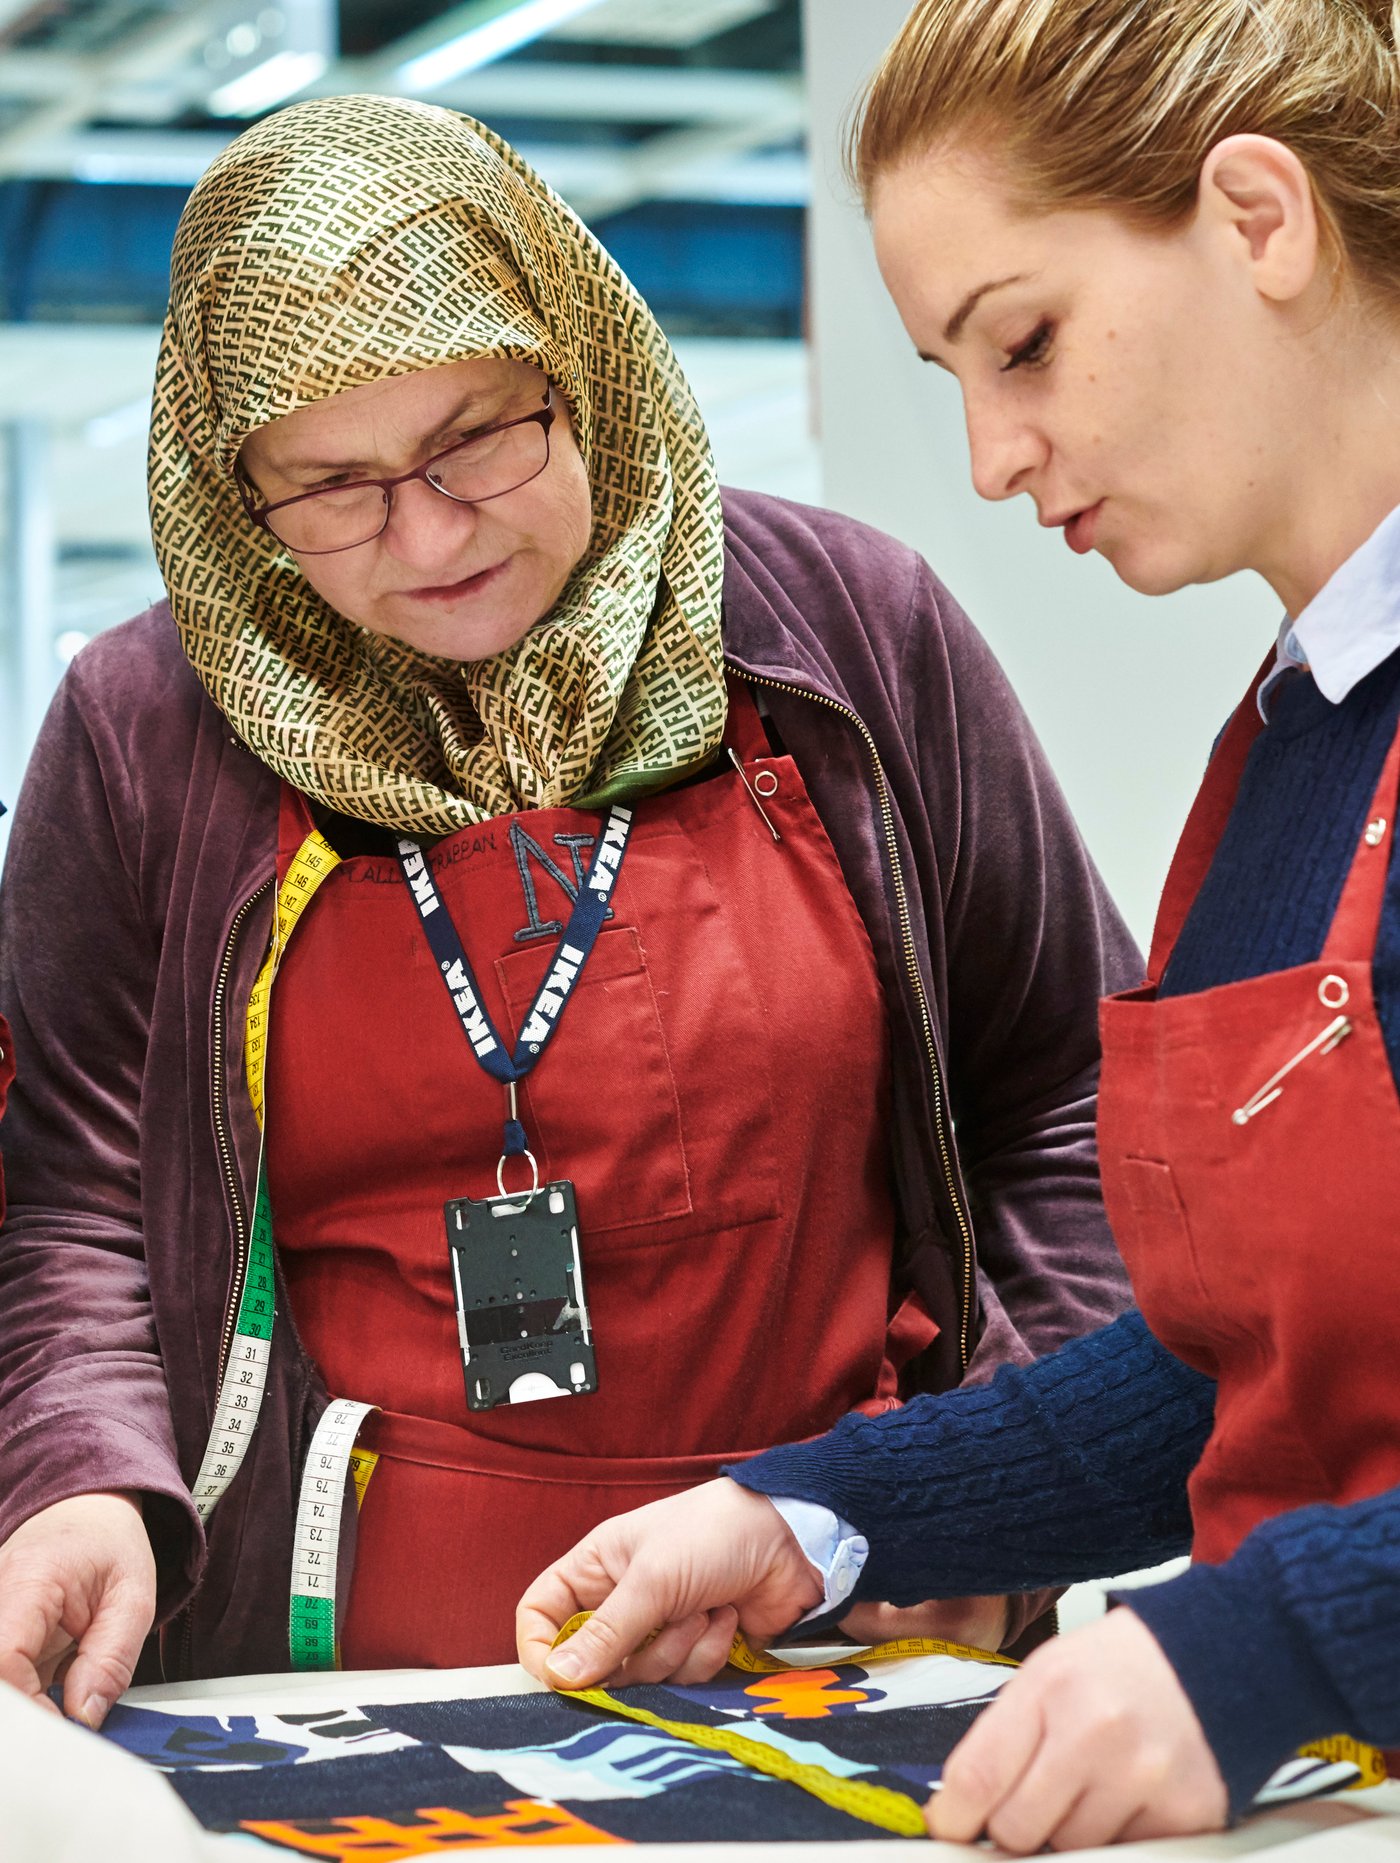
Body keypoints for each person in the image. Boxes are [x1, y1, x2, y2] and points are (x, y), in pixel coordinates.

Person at [0, 93, 1135, 1730]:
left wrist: (996, 1494)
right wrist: (75, 1483)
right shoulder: (142, 731)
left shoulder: (850, 636)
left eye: (479, 439)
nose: (433, 531)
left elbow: (1069, 1096)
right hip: (322, 1701)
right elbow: (79, 1211)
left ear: (578, 363)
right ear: (227, 494)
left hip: (853, 1645)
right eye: (331, 487)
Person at [516, 0, 1400, 1850]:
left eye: (1027, 341)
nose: (996, 458)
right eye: (954, 382)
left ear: (1260, 219)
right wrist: (816, 1517)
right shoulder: (1291, 744)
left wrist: (1273, 1649)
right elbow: (1251, 1357)